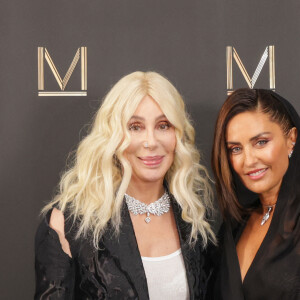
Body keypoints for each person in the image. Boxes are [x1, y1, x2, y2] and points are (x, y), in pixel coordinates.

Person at [35, 71, 216, 300]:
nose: (151, 142)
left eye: (163, 125)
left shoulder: (195, 218)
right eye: (135, 127)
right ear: (113, 136)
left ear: (177, 135)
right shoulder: (69, 223)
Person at [211, 88, 299, 300]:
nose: (248, 161)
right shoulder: (234, 226)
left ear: (291, 139)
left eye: (261, 142)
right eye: (236, 149)